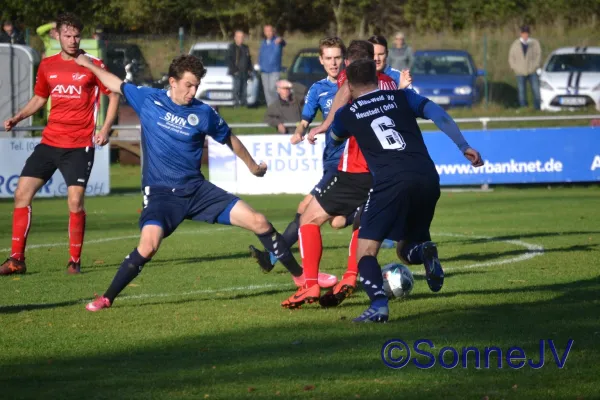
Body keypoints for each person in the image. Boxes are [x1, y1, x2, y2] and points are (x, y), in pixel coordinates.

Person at [74, 53, 307, 312]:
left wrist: (252, 166)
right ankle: (107, 298)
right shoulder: (148, 99)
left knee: (259, 221)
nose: (193, 91)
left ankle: (302, 278)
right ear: (172, 82)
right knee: (149, 246)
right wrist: (88, 65)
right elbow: (115, 83)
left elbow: (229, 138)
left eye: (196, 85)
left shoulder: (203, 112)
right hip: (161, 195)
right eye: (188, 85)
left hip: (198, 191)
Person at [330, 59, 484, 322]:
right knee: (407, 248)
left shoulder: (349, 112)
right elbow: (439, 114)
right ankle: (424, 252)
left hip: (391, 181)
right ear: (378, 79)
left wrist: (343, 104)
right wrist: (463, 145)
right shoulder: (402, 97)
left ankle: (378, 306)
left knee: (365, 251)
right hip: (426, 176)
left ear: (350, 86)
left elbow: (334, 136)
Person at [279, 40, 401, 310]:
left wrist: (326, 125)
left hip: (355, 168)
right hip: (386, 171)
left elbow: (342, 97)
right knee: (360, 223)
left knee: (308, 218)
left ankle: (310, 283)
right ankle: (349, 277)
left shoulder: (352, 78)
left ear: (349, 63)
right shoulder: (391, 84)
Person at [1, 12, 119, 276]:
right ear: (57, 35)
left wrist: (105, 128)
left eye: (77, 35)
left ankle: (74, 261)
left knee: (75, 202)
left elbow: (113, 94)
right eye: (68, 35)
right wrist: (19, 116)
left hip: (79, 145)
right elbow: (40, 98)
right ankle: (16, 260)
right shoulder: (47, 65)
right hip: (50, 142)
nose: (73, 40)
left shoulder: (92, 64)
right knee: (21, 193)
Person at [250, 36, 348, 281]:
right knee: (327, 217)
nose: (334, 63)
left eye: (337, 57)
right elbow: (304, 120)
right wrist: (298, 133)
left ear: (344, 58)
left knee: (308, 211)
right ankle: (273, 258)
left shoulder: (356, 84)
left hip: (349, 163)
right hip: (331, 162)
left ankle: (283, 263)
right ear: (321, 60)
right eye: (329, 58)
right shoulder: (318, 89)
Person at [508, 25, 542, 110]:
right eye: (523, 33)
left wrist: (535, 65)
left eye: (526, 33)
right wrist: (514, 67)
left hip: (532, 71)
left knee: (536, 89)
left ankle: (537, 107)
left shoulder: (534, 43)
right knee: (522, 91)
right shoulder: (515, 44)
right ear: (521, 34)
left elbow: (538, 54)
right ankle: (524, 107)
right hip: (520, 72)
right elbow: (511, 57)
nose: (525, 35)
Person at [258, 25, 286, 106]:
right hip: (264, 70)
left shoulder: (277, 40)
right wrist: (259, 64)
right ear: (264, 32)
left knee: (272, 89)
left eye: (270, 31)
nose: (268, 33)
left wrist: (281, 40)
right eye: (266, 31)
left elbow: (284, 43)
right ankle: (270, 107)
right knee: (266, 90)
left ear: (273, 31)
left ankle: (277, 105)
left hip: (274, 70)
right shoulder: (263, 42)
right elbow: (261, 55)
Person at [226, 30, 253, 107]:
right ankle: (236, 104)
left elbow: (249, 59)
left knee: (244, 89)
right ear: (235, 38)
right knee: (237, 88)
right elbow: (229, 60)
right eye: (239, 37)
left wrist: (250, 69)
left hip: (245, 72)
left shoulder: (245, 47)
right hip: (236, 72)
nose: (240, 38)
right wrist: (234, 70)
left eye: (242, 37)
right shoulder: (232, 47)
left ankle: (244, 103)